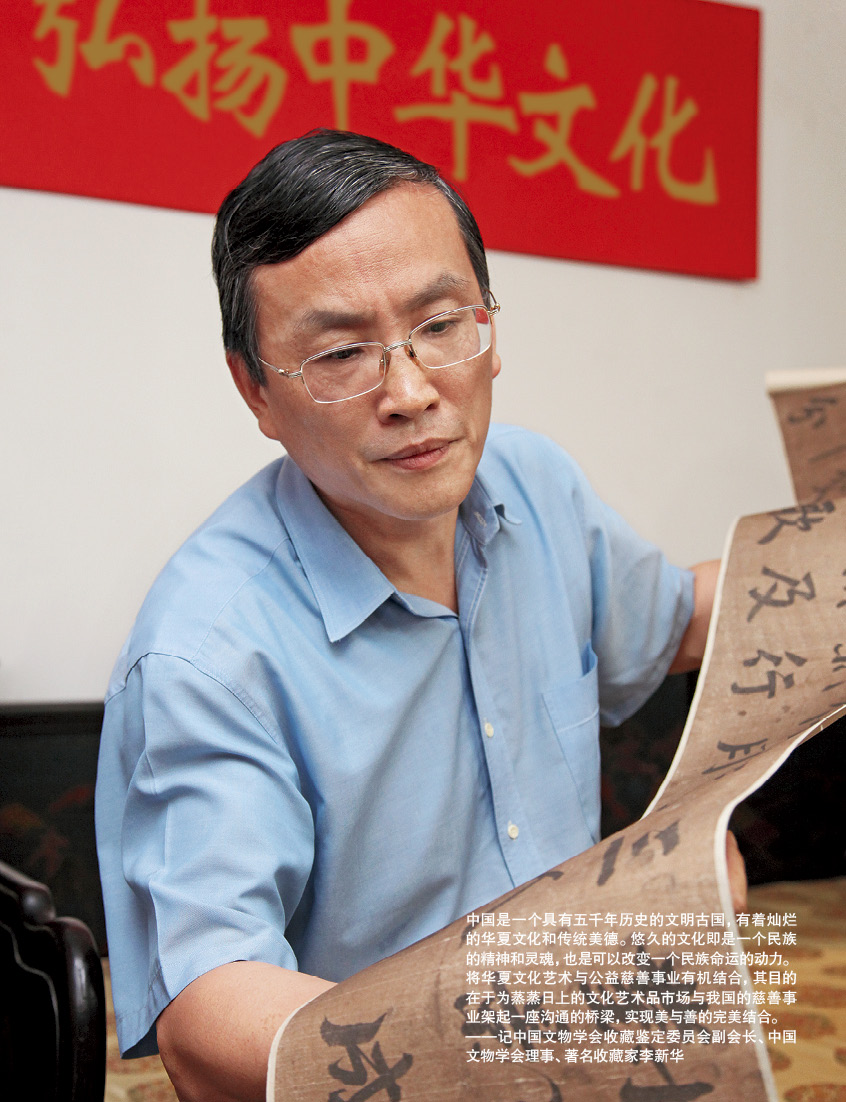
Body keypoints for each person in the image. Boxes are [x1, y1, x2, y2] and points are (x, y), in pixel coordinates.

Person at [95, 129, 733, 1102]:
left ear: (489, 326)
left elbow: (677, 618)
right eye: (341, 353)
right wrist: (527, 1021)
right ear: (255, 388)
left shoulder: (534, 484)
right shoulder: (207, 653)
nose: (410, 391)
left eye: (440, 325)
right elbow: (208, 1010)